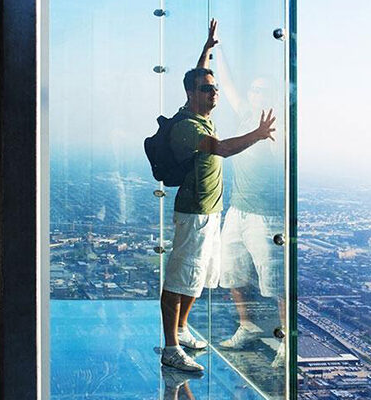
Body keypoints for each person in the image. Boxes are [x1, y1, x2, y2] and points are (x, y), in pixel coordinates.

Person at [160, 18, 277, 372]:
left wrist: (209, 48)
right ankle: (170, 347)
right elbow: (221, 149)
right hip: (193, 213)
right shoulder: (186, 127)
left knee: (200, 277)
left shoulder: (200, 110)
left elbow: (199, 72)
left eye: (215, 88)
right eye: (207, 90)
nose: (215, 93)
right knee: (180, 278)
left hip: (210, 213)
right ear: (192, 95)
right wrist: (256, 135)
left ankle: (182, 330)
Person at [203, 21, 287, 368]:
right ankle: (247, 325)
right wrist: (217, 47)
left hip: (266, 215)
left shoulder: (277, 126)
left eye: (261, 91)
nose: (254, 94)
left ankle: (285, 340)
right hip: (237, 210)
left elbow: (283, 163)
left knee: (275, 281)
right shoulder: (245, 117)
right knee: (232, 271)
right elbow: (233, 86)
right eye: (253, 90)